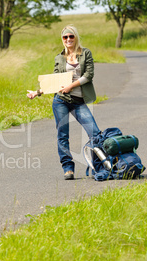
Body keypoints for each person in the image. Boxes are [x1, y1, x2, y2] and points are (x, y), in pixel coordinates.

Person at [27, 25, 100, 180]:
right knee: (62, 135)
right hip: (61, 100)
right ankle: (68, 168)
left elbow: (89, 75)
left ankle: (97, 165)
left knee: (95, 133)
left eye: (71, 36)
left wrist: (71, 86)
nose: (68, 39)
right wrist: (37, 92)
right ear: (62, 39)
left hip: (79, 101)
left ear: (76, 37)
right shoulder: (59, 58)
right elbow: (53, 82)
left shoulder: (85, 53)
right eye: (65, 37)